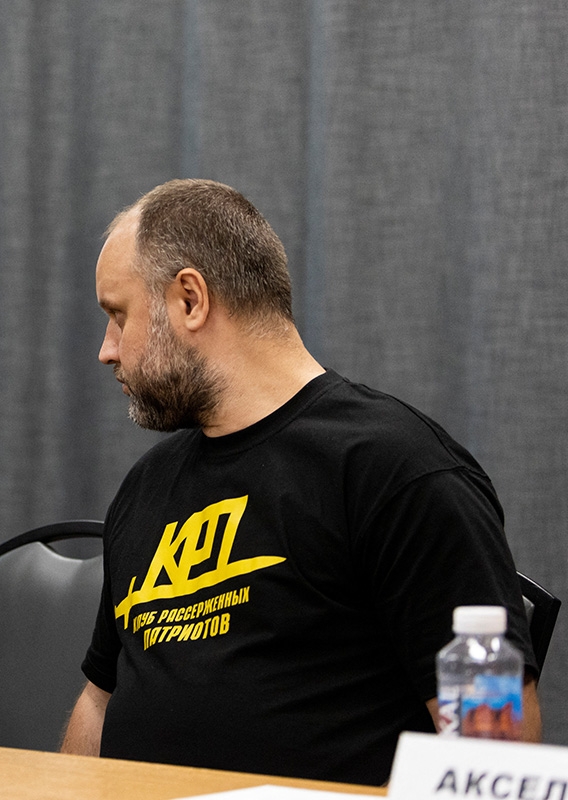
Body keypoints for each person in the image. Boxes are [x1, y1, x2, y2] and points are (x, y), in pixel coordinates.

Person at [60, 179, 542, 785]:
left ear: (190, 300)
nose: (107, 351)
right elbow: (99, 700)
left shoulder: (393, 468)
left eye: (118, 316)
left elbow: (496, 755)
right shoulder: (146, 486)